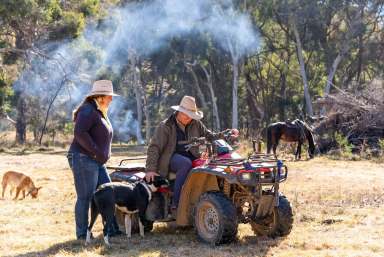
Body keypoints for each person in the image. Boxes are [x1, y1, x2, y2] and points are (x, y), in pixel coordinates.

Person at [145, 95, 237, 216]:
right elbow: (154, 147)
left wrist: (226, 134)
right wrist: (150, 169)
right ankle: (177, 205)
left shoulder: (196, 123)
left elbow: (210, 136)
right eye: (186, 114)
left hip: (192, 155)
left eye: (191, 115)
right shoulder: (166, 126)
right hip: (171, 158)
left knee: (212, 164)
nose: (188, 118)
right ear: (179, 112)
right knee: (185, 163)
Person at [67, 80, 121, 240]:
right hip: (83, 158)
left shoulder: (99, 111)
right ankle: (82, 234)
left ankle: (111, 229)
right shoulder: (87, 110)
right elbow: (80, 133)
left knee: (109, 192)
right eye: (109, 96)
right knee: (85, 196)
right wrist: (97, 152)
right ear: (101, 96)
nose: (111, 99)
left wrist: (101, 155)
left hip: (96, 160)